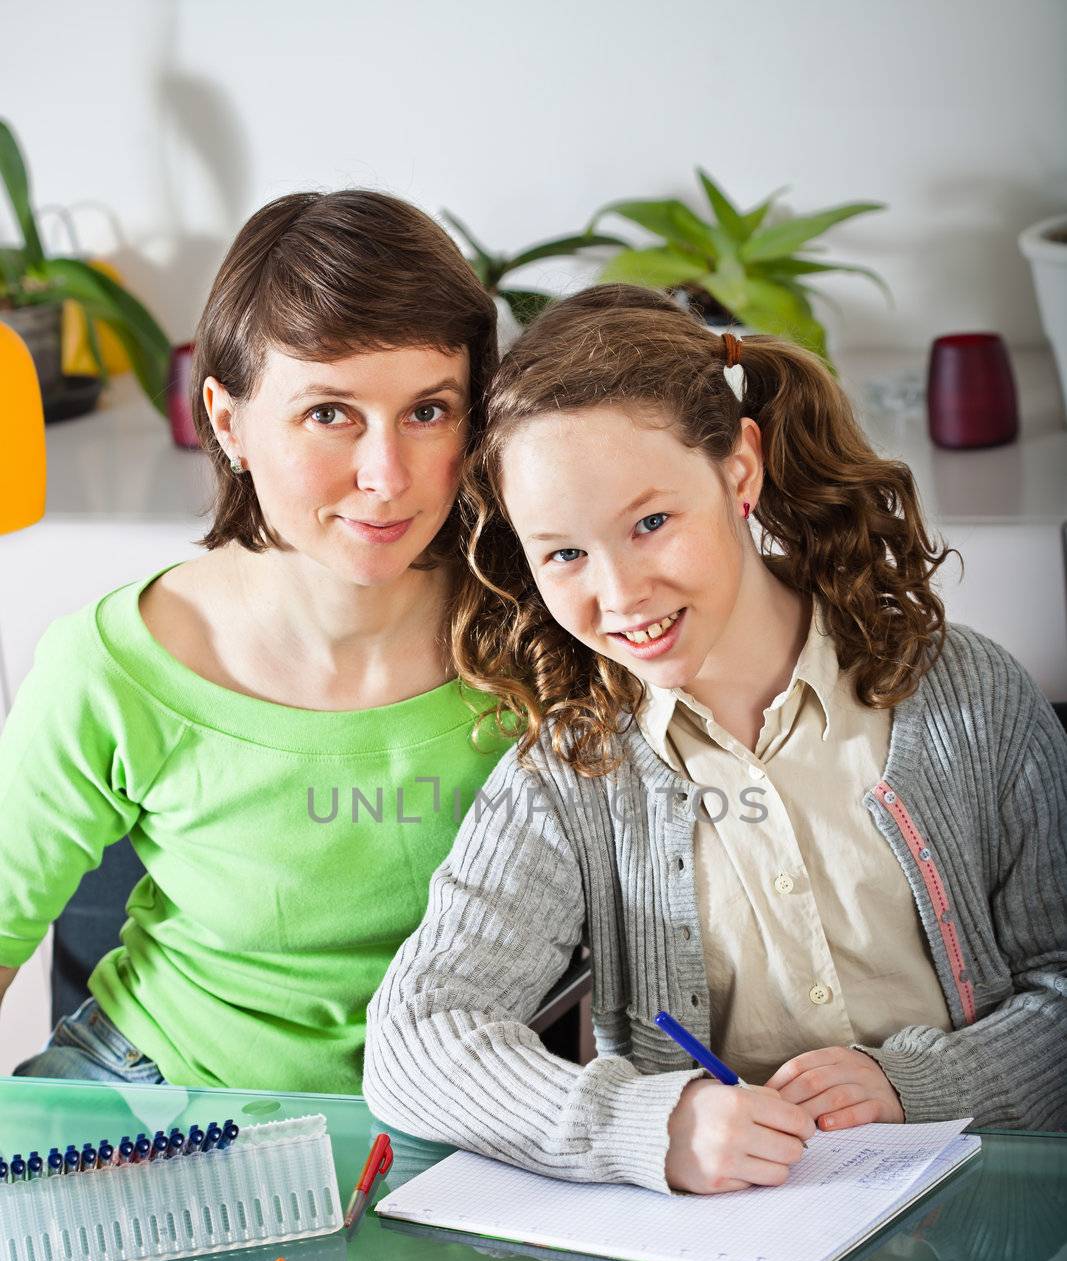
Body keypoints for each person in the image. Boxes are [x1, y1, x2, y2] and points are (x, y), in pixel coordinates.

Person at [364, 283, 1067, 1193]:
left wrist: (917, 1084)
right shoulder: (570, 771)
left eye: (650, 523)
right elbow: (414, 1039)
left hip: (986, 1222)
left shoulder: (964, 696)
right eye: (564, 554)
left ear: (740, 471)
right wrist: (649, 1124)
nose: (619, 597)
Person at [0, 189, 506, 1092]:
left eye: (428, 411)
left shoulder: (539, 637)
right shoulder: (112, 668)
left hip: (470, 1120)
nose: (385, 476)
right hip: (154, 1096)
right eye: (327, 413)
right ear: (226, 422)